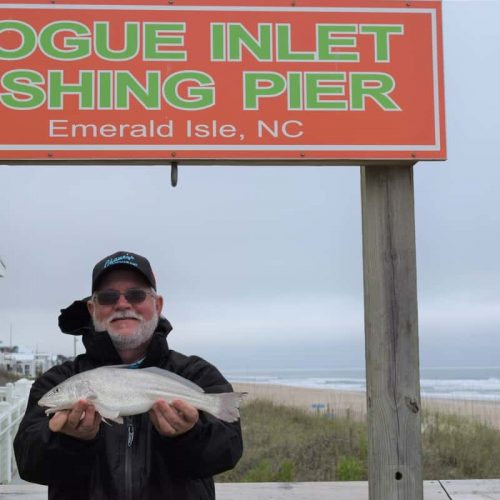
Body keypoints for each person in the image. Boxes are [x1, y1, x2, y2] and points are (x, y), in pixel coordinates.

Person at [14, 251, 243, 500]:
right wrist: (69, 441)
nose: (122, 304)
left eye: (136, 294)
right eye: (108, 297)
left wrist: (189, 435)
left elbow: (229, 451)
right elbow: (28, 462)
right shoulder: (57, 379)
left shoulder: (197, 374)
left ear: (158, 305)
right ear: (92, 308)